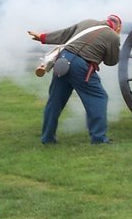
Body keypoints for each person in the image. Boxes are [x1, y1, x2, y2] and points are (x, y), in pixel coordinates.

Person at [28, 14, 123, 145]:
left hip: (62, 60)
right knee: (99, 98)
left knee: (55, 101)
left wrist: (42, 37)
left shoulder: (88, 22)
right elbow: (111, 62)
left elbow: (65, 33)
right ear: (118, 27)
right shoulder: (113, 36)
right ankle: (98, 138)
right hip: (80, 66)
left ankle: (47, 138)